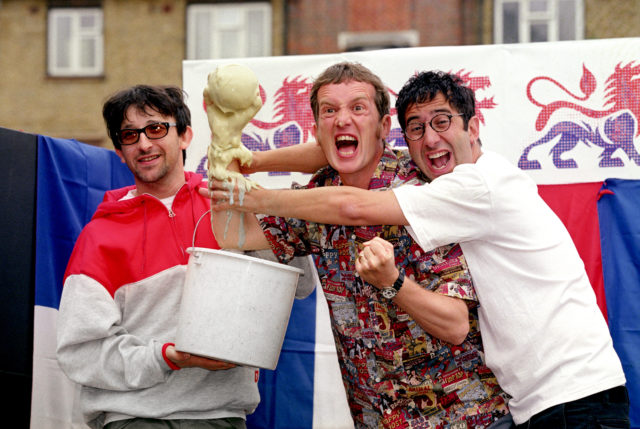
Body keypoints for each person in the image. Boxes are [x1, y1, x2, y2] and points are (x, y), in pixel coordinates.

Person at [211, 70, 630, 428]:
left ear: (474, 125)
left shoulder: (444, 187)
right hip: (504, 405)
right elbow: (233, 233)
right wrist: (233, 152)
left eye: (443, 122)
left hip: (524, 406)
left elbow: (353, 206)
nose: (431, 139)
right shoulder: (321, 192)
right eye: (418, 128)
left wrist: (253, 193)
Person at [207, 62, 511, 428]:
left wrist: (393, 284)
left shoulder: (424, 190)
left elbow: (456, 325)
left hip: (465, 419)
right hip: (376, 419)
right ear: (318, 130)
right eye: (329, 111)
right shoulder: (314, 197)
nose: (342, 120)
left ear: (384, 127)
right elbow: (233, 234)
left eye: (357, 108)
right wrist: (223, 144)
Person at [56, 85, 261, 429]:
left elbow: (294, 286)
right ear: (120, 152)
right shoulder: (99, 236)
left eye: (156, 128)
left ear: (185, 136)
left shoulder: (232, 206)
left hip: (221, 416)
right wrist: (168, 356)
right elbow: (80, 354)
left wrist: (268, 212)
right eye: (129, 135)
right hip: (134, 419)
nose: (144, 143)